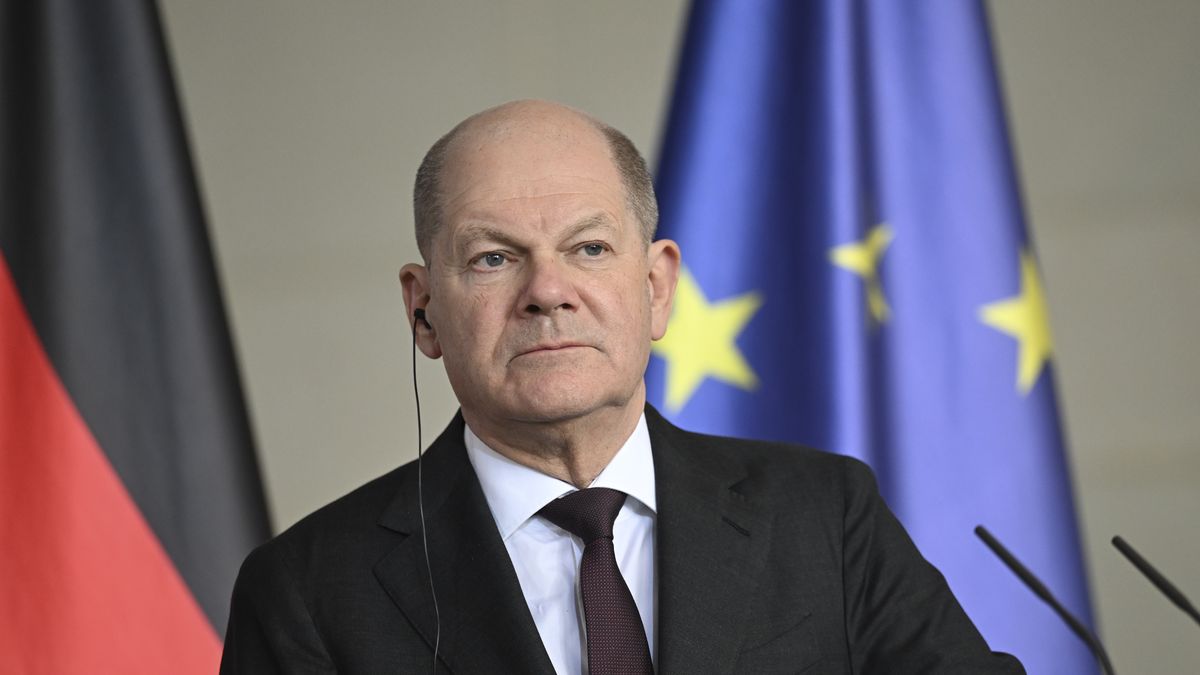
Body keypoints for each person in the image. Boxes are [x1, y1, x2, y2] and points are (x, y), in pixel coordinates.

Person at [220, 100, 1023, 674]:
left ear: (658, 287)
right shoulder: (308, 591)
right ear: (424, 311)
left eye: (590, 248)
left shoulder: (824, 515)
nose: (548, 291)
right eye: (494, 258)